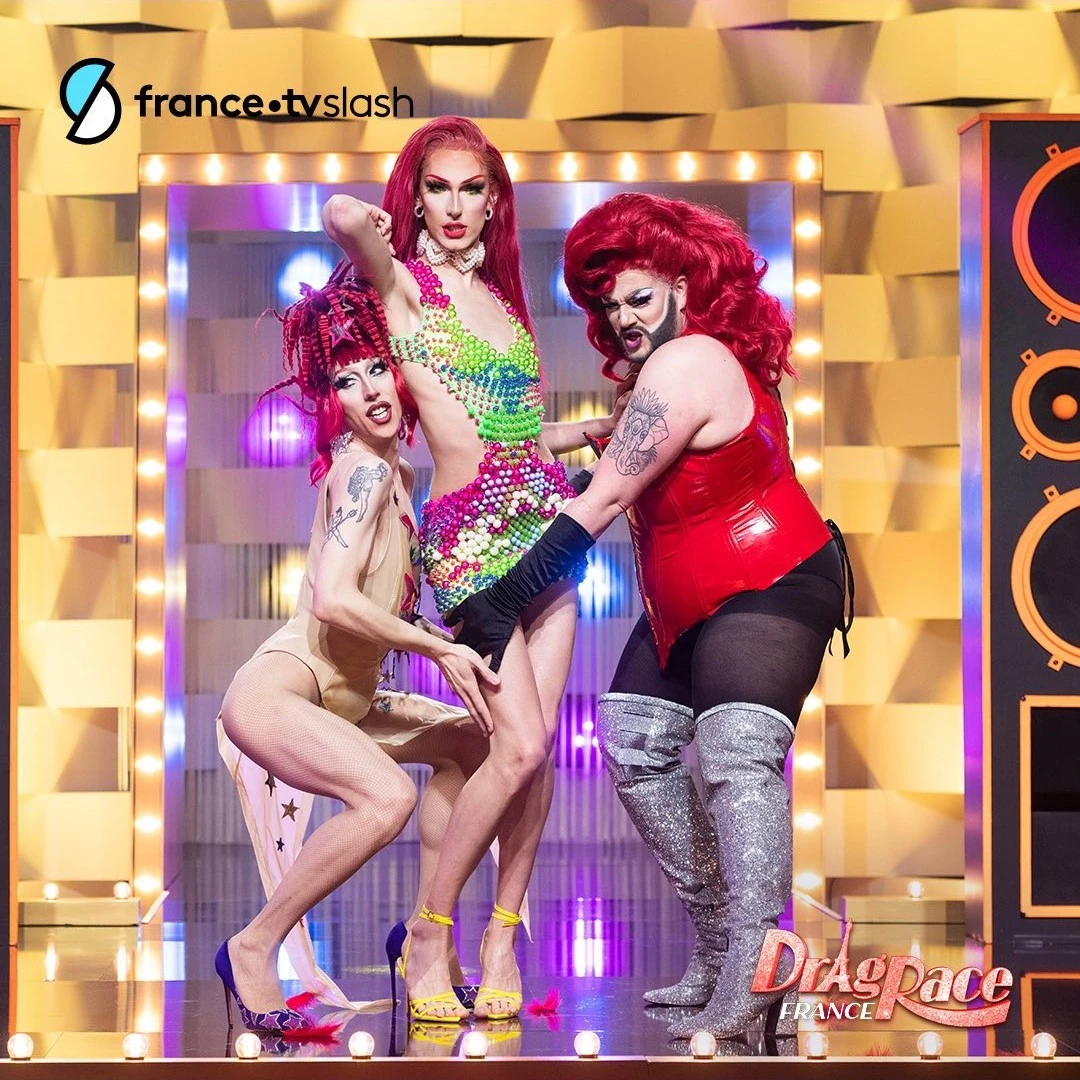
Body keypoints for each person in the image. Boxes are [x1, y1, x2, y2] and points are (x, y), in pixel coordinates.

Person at [448, 192, 854, 1041]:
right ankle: (720, 945)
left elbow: (602, 501)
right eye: (609, 305)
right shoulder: (660, 374)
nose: (622, 318)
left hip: (772, 577)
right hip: (688, 600)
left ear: (685, 286)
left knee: (737, 757)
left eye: (639, 298)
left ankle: (759, 972)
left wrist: (502, 603)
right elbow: (611, 463)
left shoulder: (690, 360)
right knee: (633, 737)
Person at [321, 116, 621, 1022]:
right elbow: (340, 216)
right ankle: (429, 929)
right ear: (417, 198)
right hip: (470, 544)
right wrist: (378, 224)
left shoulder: (503, 301)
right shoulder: (404, 286)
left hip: (546, 530)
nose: (455, 205)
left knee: (537, 757)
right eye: (438, 188)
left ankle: (501, 935)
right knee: (517, 743)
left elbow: (512, 430)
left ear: (495, 201)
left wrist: (588, 431)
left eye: (471, 189)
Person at [214, 269, 499, 1034]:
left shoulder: (399, 472)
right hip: (286, 689)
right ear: (330, 400)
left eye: (378, 367)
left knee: (474, 745)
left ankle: (425, 935)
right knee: (386, 798)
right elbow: (334, 601)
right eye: (346, 379)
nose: (370, 389)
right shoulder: (367, 471)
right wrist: (436, 650)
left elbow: (374, 606)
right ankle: (252, 946)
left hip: (349, 698)